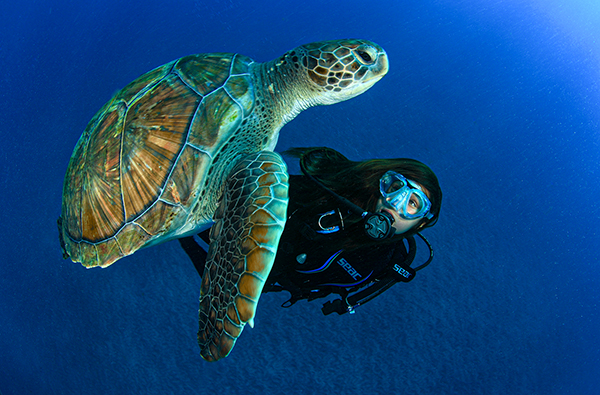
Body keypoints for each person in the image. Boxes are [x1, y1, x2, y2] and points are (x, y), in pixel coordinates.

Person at [179, 147, 442, 315]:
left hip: (265, 281)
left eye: (412, 204)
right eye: (394, 187)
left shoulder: (387, 263)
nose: (395, 204)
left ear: (420, 223)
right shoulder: (329, 197)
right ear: (380, 183)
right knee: (187, 227)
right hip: (232, 234)